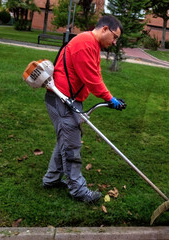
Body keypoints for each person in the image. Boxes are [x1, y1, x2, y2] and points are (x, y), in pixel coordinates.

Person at [42, 15, 126, 203]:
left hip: (70, 100)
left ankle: (51, 179)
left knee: (66, 139)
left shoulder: (92, 45)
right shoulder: (86, 43)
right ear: (105, 29)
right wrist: (108, 98)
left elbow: (95, 75)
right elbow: (92, 79)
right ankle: (78, 190)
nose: (114, 42)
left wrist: (110, 98)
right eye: (114, 37)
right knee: (71, 145)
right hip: (62, 99)